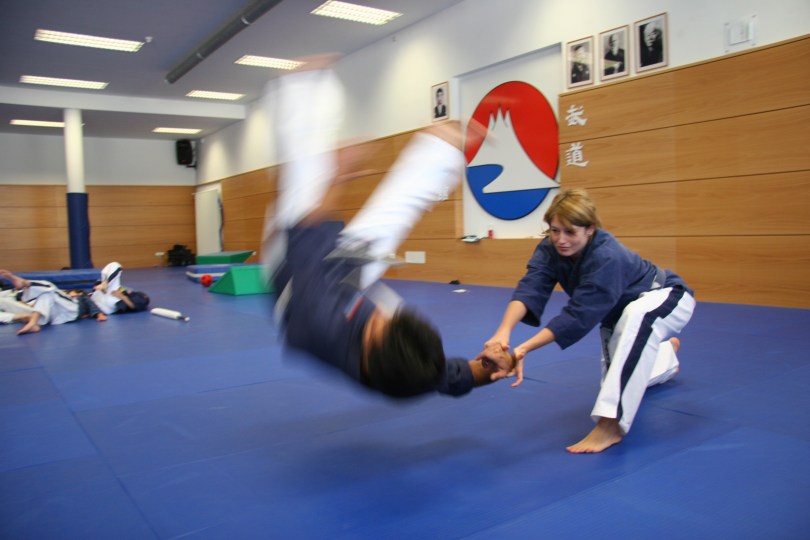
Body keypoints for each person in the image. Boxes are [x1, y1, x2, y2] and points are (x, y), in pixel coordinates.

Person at [262, 56, 510, 398]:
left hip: (291, 275)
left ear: (372, 341)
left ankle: (302, 89)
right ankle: (441, 147)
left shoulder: (319, 317)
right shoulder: (411, 370)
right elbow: (449, 375)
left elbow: (308, 234)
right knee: (388, 223)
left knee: (305, 192)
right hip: (337, 289)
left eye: (383, 320)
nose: (384, 311)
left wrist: (336, 177)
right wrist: (490, 369)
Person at [484, 189, 695, 453]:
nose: (561, 240)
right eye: (554, 230)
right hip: (617, 315)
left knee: (636, 320)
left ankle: (610, 427)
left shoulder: (606, 255)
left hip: (664, 297)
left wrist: (523, 349)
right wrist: (503, 332)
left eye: (570, 232)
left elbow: (578, 315)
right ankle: (665, 356)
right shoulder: (549, 248)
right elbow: (531, 287)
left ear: (590, 229)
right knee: (617, 378)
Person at [0, 270, 107, 335]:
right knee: (46, 294)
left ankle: (25, 283)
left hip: (71, 310)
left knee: (49, 289)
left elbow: (90, 302)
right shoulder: (57, 295)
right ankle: (33, 321)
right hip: (53, 317)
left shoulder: (80, 297)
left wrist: (99, 314)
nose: (72, 293)